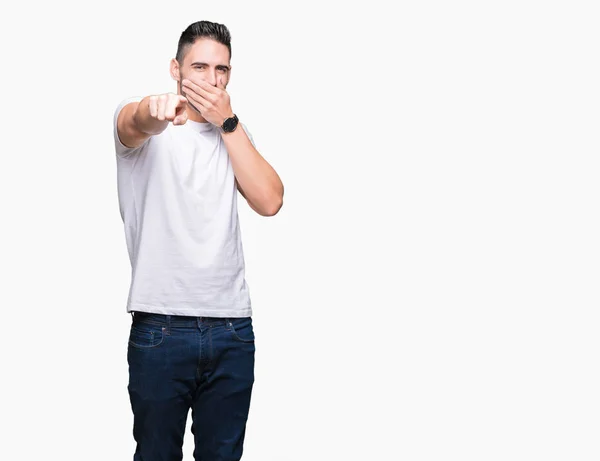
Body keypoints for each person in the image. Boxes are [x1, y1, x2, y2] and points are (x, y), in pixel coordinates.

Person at [112, 20, 284, 461]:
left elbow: (269, 201)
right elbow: (134, 121)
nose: (212, 79)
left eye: (221, 70)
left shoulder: (233, 133)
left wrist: (227, 123)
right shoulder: (147, 127)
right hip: (161, 328)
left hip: (232, 328)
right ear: (176, 68)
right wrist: (155, 109)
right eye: (200, 67)